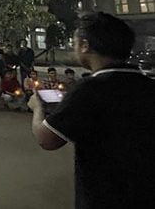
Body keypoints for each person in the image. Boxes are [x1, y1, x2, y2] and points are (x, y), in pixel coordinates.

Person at [28, 12, 155, 208]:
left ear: (85, 45)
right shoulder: (148, 85)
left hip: (105, 197)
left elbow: (47, 139)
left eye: (75, 42)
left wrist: (37, 108)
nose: (73, 47)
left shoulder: (90, 88)